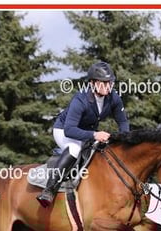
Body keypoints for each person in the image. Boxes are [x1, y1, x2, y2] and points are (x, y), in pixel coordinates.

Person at [36, 61, 130, 207]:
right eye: (104, 83)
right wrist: (95, 135)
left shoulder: (114, 98)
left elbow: (123, 122)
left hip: (86, 132)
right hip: (64, 131)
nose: (108, 86)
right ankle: (49, 190)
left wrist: (125, 141)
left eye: (110, 82)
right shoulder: (80, 100)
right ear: (92, 83)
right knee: (75, 149)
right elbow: (69, 130)